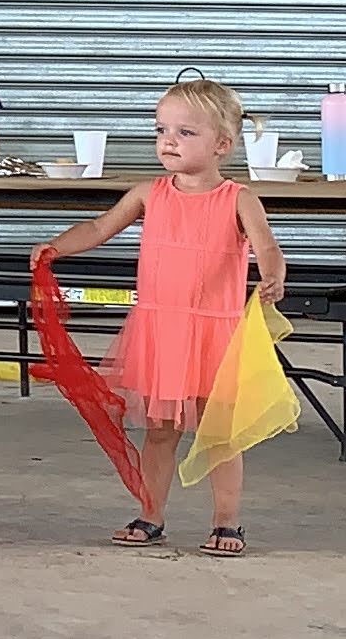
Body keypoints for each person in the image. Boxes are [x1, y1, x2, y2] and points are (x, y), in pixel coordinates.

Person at [31, 76, 287, 556]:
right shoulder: (149, 194)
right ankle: (151, 515)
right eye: (161, 130)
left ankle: (227, 521)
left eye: (185, 132)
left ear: (222, 144)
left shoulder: (238, 198)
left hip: (215, 333)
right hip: (163, 332)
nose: (169, 141)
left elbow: (268, 247)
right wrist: (56, 246)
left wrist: (272, 275)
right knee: (160, 431)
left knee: (220, 433)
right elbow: (99, 227)